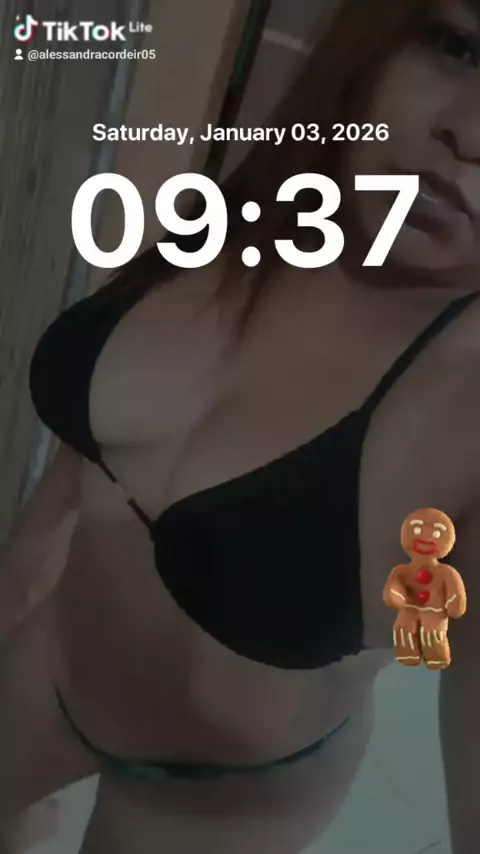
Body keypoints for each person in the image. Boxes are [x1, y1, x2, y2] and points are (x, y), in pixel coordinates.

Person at [0, 0, 479, 851]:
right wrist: (24, 563)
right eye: (459, 47)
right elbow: (98, 443)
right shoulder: (273, 201)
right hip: (46, 673)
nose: (470, 131)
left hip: (212, 798)